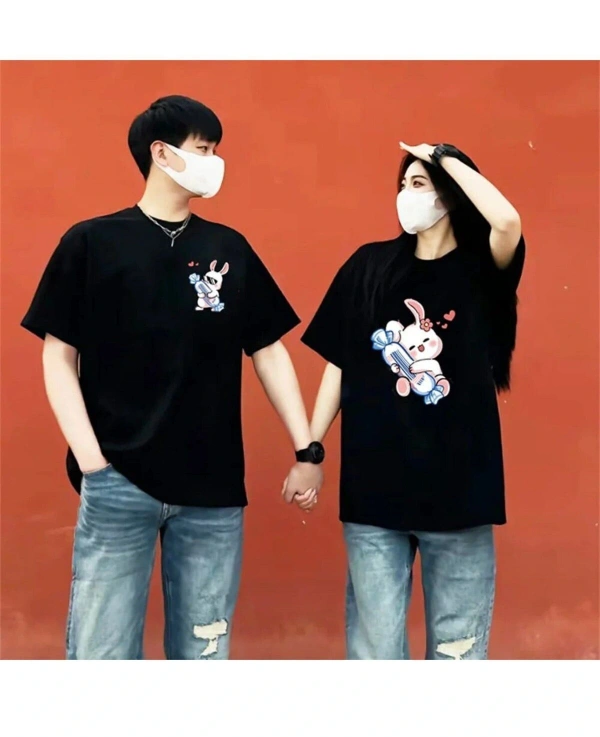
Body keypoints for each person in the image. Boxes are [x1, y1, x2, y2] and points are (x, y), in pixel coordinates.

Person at [21, 95, 323, 660]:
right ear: (161, 153)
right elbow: (58, 356)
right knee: (102, 654)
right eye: (203, 149)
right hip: (117, 481)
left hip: (212, 490)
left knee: (203, 654)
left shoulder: (228, 248)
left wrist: (306, 448)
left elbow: (268, 350)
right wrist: (93, 463)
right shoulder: (91, 242)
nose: (215, 161)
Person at [292, 142, 525, 660]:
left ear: (451, 193)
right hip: (374, 494)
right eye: (402, 185)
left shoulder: (482, 269)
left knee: (458, 653)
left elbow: (507, 221)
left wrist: (444, 158)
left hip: (461, 495)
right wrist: (310, 451)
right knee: (375, 655)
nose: (405, 195)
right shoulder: (369, 266)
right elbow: (339, 364)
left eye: (418, 184)